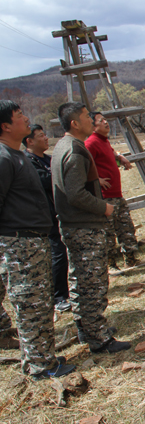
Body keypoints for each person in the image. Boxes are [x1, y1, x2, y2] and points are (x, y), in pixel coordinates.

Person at [0, 100, 76, 379]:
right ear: (6, 125)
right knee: (30, 304)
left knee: (40, 302)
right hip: (19, 245)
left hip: (34, 241)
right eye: (19, 116)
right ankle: (40, 366)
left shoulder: (16, 154)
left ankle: (43, 356)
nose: (26, 119)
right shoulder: (3, 158)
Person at [52, 102, 131, 354]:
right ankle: (99, 337)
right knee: (93, 283)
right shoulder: (74, 151)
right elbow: (75, 194)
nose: (93, 120)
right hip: (84, 227)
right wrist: (102, 208)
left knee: (80, 279)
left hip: (75, 225)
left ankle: (86, 328)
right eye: (87, 117)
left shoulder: (63, 147)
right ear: (75, 123)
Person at [23, 124, 71, 312]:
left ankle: (65, 291)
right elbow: (46, 181)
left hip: (58, 213)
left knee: (62, 252)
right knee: (57, 254)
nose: (46, 138)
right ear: (30, 141)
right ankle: (59, 297)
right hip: (43, 218)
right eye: (41, 135)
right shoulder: (28, 162)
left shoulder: (48, 159)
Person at [84, 111, 139, 269]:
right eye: (101, 121)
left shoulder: (104, 141)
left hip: (117, 195)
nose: (106, 123)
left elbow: (110, 152)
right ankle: (111, 264)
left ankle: (130, 259)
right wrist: (96, 180)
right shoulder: (90, 143)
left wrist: (119, 157)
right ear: (93, 126)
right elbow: (84, 165)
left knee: (125, 227)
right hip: (105, 197)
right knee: (108, 233)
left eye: (106, 120)